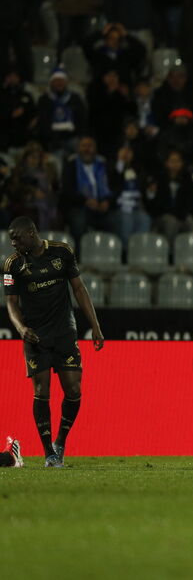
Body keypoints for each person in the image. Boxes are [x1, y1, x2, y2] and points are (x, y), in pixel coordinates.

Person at [4, 216, 105, 467]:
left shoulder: (62, 252)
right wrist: (21, 328)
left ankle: (60, 442)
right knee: (41, 392)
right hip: (35, 336)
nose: (13, 243)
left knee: (73, 390)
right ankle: (49, 452)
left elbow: (79, 289)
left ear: (31, 232)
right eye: (11, 240)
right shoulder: (12, 265)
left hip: (64, 333)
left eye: (16, 238)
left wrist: (95, 326)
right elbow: (11, 303)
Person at [60, 135, 112, 241]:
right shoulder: (71, 165)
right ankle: (78, 254)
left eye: (90, 146)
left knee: (113, 220)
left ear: (95, 149)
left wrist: (106, 201)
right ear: (78, 148)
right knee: (79, 221)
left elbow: (112, 188)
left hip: (100, 206)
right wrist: (86, 201)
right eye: (84, 146)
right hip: (78, 206)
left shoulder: (103, 165)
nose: (87, 149)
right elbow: (67, 191)